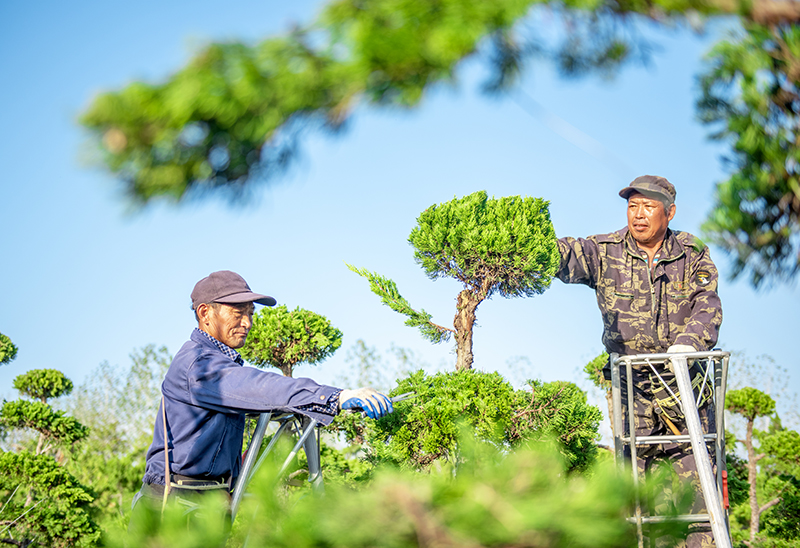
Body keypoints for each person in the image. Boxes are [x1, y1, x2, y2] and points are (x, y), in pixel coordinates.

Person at [129, 270, 393, 533]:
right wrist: (335, 396)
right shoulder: (198, 365)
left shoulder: (218, 361)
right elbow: (260, 387)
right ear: (204, 313)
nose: (247, 323)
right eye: (237, 313)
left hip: (204, 504)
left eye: (251, 314)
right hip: (171, 508)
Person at [556, 175, 722, 547]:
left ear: (669, 213)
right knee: (636, 492)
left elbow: (708, 304)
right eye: (633, 207)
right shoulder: (605, 250)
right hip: (631, 389)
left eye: (648, 207)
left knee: (695, 491)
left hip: (684, 389)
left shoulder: (692, 252)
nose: (639, 215)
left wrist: (688, 344)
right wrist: (527, 243)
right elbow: (563, 254)